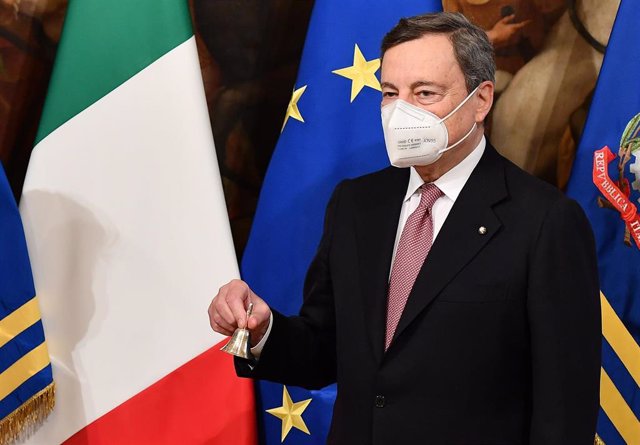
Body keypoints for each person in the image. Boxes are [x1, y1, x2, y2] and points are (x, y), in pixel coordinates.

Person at [208, 12, 601, 445]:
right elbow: (325, 350)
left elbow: (563, 412)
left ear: (481, 99)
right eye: (390, 93)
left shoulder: (545, 222)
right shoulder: (356, 205)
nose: (402, 111)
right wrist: (263, 331)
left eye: (425, 93)